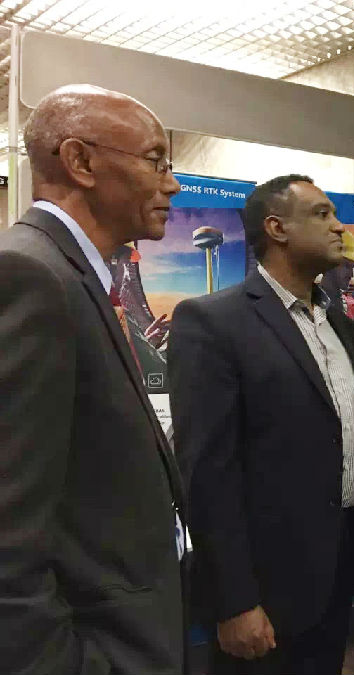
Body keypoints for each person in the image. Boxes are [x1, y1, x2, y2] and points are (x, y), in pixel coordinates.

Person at [168, 174, 354, 675]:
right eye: (322, 214)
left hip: (337, 571)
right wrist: (234, 601)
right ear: (276, 228)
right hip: (265, 592)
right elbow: (206, 475)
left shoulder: (338, 324)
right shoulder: (212, 323)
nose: (338, 227)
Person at [0, 84, 185, 674]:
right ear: (80, 162)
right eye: (156, 160)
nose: (173, 184)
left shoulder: (77, 277)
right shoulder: (32, 275)